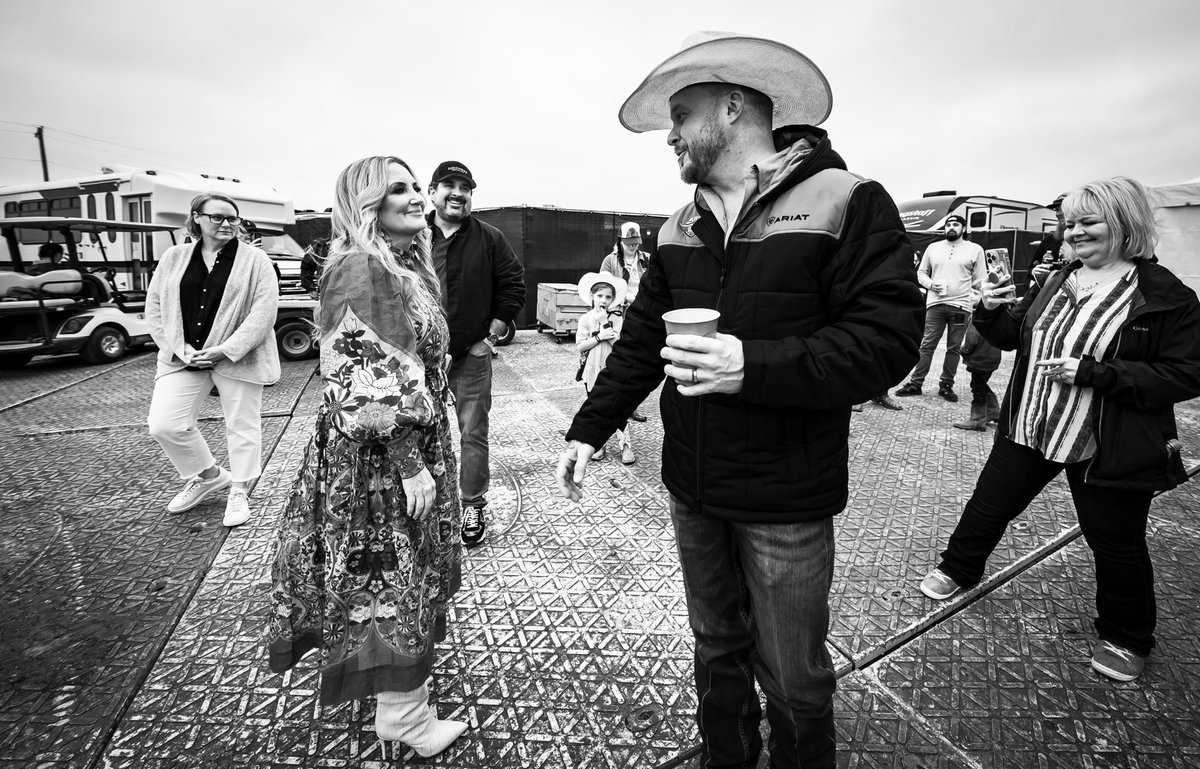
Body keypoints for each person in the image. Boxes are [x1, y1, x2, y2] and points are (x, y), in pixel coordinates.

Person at [555, 32, 923, 768]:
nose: (671, 134)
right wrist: (589, 428)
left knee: (793, 672)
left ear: (732, 105)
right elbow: (638, 342)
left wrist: (751, 365)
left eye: (682, 114)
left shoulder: (846, 200)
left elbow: (887, 340)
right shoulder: (677, 225)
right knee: (715, 642)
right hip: (692, 484)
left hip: (787, 494)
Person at [919, 177, 1200, 683]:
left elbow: (1187, 373)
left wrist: (1096, 373)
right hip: (1030, 426)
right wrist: (989, 310)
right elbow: (1013, 338)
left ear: (1124, 222)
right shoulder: (1057, 278)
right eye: (1068, 223)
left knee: (1115, 544)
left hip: (1102, 443)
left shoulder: (1166, 296)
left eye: (1087, 222)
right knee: (988, 505)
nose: (1073, 233)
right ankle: (959, 569)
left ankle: (1126, 636)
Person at [267, 156, 467, 757]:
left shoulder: (401, 266)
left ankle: (403, 703)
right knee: (389, 571)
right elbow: (362, 381)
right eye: (399, 189)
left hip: (402, 442)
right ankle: (405, 717)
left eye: (414, 187)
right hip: (379, 456)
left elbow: (415, 365)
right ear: (367, 204)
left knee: (399, 569)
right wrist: (410, 460)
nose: (416, 198)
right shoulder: (361, 267)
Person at [145, 193, 280, 527]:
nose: (226, 224)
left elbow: (263, 311)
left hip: (237, 356)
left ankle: (239, 489)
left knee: (241, 424)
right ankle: (209, 476)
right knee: (165, 424)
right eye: (218, 217)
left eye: (233, 218)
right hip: (183, 356)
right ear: (197, 218)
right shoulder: (174, 257)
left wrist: (227, 348)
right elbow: (155, 307)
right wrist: (177, 348)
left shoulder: (255, 259)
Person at [427, 160, 525, 547]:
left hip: (471, 355)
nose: (457, 193)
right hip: (421, 361)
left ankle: (472, 504)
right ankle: (428, 506)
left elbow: (513, 284)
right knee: (421, 434)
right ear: (432, 191)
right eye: (448, 185)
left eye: (465, 187)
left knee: (473, 434)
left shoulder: (489, 238)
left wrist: (492, 335)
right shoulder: (413, 236)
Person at [894, 215, 987, 402]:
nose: (951, 228)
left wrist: (977, 299)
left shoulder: (975, 249)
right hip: (935, 304)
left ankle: (946, 385)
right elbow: (920, 272)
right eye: (948, 225)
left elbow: (980, 279)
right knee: (926, 345)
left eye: (956, 224)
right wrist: (930, 284)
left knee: (953, 348)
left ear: (964, 228)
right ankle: (915, 383)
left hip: (961, 306)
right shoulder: (933, 248)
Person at [575, 272, 635, 463]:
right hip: (592, 370)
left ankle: (625, 445)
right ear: (592, 296)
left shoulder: (617, 318)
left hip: (612, 369)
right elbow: (580, 345)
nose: (604, 300)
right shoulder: (585, 319)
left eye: (608, 297)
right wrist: (599, 336)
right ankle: (599, 445)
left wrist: (605, 323)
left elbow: (619, 344)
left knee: (618, 408)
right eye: (600, 295)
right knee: (596, 407)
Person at [600, 223, 652, 422]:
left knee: (638, 362)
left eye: (635, 243)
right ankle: (614, 404)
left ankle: (632, 405)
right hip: (619, 314)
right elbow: (602, 288)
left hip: (642, 313)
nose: (633, 247)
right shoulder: (609, 261)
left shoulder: (646, 259)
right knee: (620, 359)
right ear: (620, 241)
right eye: (629, 243)